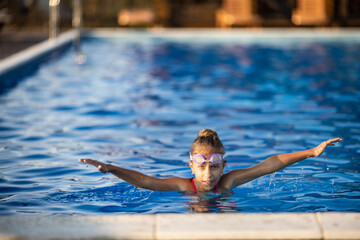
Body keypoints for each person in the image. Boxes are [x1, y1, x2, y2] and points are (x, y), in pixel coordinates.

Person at [79, 128, 342, 195]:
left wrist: (310, 152)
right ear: (191, 166)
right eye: (201, 166)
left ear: (223, 166)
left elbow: (269, 164)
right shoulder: (184, 186)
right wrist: (112, 168)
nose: (208, 174)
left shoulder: (229, 182)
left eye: (215, 166)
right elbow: (146, 181)